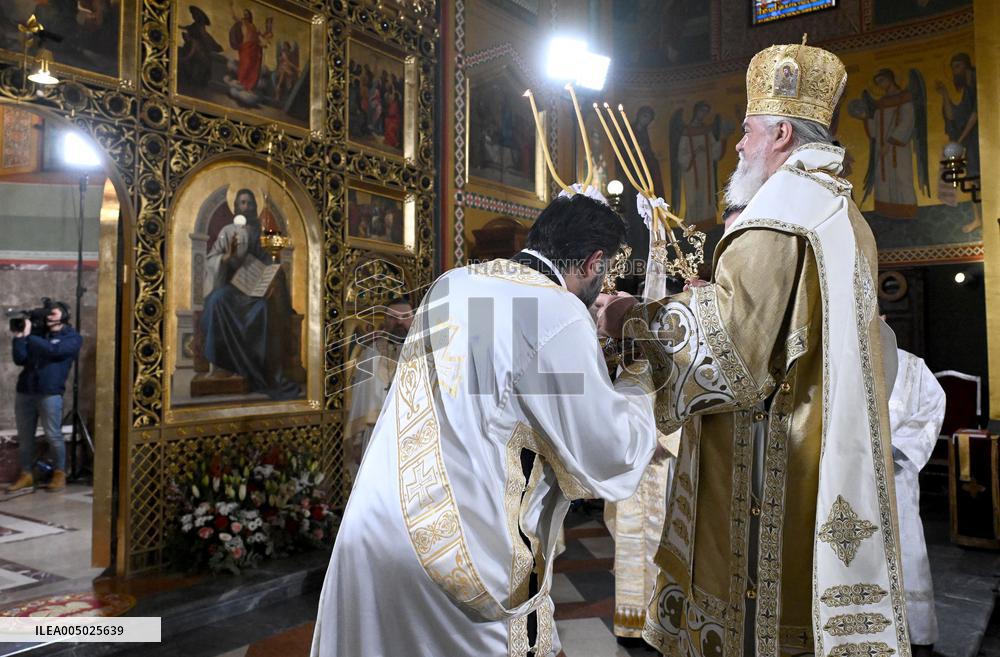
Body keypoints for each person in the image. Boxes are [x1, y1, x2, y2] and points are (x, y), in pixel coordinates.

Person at [597, 40, 910, 657]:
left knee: (755, 623)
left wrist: (630, 318)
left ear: (781, 134)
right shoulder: (842, 213)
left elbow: (731, 352)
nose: (738, 145)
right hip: (822, 457)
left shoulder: (777, 214)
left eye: (747, 131)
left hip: (769, 466)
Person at [312, 194, 658, 656]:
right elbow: (609, 449)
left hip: (377, 527)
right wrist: (639, 370)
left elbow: (498, 384)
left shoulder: (453, 283)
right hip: (459, 557)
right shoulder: (558, 312)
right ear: (594, 262)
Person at [199, 189, 300, 400]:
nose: (246, 207)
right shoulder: (227, 232)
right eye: (242, 203)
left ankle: (256, 369)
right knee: (217, 300)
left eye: (250, 203)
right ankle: (224, 365)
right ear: (236, 207)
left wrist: (271, 281)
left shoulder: (260, 235)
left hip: (253, 294)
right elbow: (211, 260)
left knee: (263, 309)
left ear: (255, 207)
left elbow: (269, 263)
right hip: (230, 289)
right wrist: (226, 257)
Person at [888, 347, 945, 657]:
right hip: (848, 475)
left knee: (906, 549)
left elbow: (933, 404)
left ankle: (915, 633)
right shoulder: (836, 359)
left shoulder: (910, 365)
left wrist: (895, 449)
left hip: (896, 477)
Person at [8, 302, 81, 493]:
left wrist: (29, 336)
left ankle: (59, 473)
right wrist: (19, 338)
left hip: (49, 393)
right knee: (25, 437)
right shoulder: (39, 335)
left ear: (64, 315)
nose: (48, 316)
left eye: (53, 313)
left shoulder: (72, 337)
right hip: (25, 391)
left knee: (53, 435)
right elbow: (20, 359)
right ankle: (26, 474)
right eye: (47, 313)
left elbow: (54, 351)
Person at [344, 298, 413, 478]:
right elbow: (360, 401)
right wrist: (357, 441)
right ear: (385, 321)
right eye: (393, 317)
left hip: (414, 433)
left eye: (405, 316)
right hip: (376, 434)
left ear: (414, 320)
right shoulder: (370, 355)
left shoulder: (425, 356)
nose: (399, 322)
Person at [229, 3, 272, 92]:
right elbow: (234, 17)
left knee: (253, 67)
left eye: (247, 14)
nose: (246, 15)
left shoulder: (253, 26)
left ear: (250, 15)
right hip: (246, 46)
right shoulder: (243, 22)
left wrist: (267, 33)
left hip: (255, 48)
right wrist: (231, 7)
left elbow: (260, 36)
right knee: (246, 63)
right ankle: (241, 82)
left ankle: (249, 86)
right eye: (244, 14)